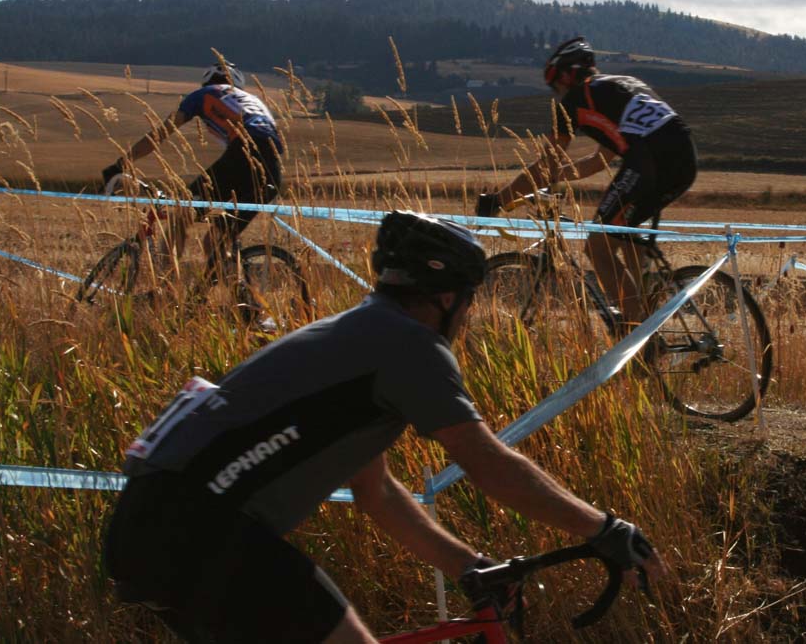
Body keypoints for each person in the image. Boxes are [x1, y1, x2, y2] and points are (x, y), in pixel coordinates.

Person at [103, 210, 663, 643]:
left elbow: (377, 491)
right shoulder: (409, 346)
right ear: (446, 298)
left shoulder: (356, 337)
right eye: (468, 303)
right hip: (206, 530)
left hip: (149, 527)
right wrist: (603, 528)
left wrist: (468, 568)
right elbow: (489, 464)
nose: (466, 318)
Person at [477, 37, 697, 330]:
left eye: (555, 85)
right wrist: (557, 177)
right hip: (684, 160)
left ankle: (638, 337)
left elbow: (545, 165)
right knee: (627, 238)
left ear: (567, 76)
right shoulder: (621, 86)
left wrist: (498, 201)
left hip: (650, 164)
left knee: (597, 248)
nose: (557, 94)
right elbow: (598, 161)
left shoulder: (575, 100)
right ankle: (644, 314)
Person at [101, 61, 284, 279]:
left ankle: (166, 287)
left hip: (242, 155)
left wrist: (122, 163)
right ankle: (245, 302)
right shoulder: (255, 101)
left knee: (182, 214)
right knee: (215, 241)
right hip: (273, 168)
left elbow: (161, 133)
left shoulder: (204, 94)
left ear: (206, 82)